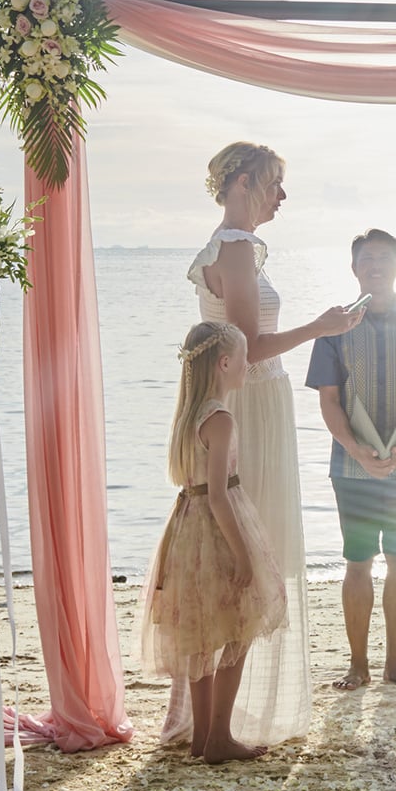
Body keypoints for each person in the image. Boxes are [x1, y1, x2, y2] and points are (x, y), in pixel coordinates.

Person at [171, 141, 362, 747]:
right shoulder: (236, 247)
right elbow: (248, 344)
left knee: (243, 550)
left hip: (254, 402)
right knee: (247, 551)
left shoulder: (232, 247)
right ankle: (216, 727)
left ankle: (212, 723)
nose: (282, 196)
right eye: (277, 183)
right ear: (247, 181)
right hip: (249, 406)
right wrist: (320, 329)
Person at [306, 228, 396, 691]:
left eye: (385, 258)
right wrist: (355, 451)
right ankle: (357, 665)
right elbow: (329, 401)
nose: (376, 267)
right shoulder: (335, 328)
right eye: (367, 259)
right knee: (358, 561)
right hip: (352, 466)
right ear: (353, 268)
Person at [139, 322, 285, 762]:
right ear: (225, 364)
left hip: (186, 526)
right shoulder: (219, 419)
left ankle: (203, 739)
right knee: (239, 627)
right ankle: (219, 736)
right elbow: (220, 496)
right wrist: (242, 553)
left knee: (201, 637)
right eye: (243, 359)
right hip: (217, 527)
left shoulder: (189, 413)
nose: (247, 366)